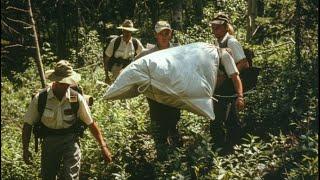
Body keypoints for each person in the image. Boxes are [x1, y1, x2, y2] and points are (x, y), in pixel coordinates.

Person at [22, 60, 112, 179]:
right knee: (48, 176)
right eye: (62, 83)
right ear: (55, 81)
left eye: (67, 83)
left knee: (70, 176)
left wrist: (103, 146)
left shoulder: (76, 98)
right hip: (49, 141)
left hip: (71, 140)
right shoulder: (41, 98)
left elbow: (90, 123)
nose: (65, 86)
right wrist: (25, 149)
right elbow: (28, 124)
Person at [135, 20, 182, 160]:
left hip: (173, 97)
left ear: (171, 34)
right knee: (158, 128)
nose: (164, 36)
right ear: (156, 35)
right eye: (161, 33)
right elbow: (133, 67)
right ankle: (162, 160)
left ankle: (176, 160)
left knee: (173, 125)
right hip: (155, 98)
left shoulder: (178, 50)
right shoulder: (147, 53)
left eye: (167, 32)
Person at [210, 12, 249, 154]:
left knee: (218, 119)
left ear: (226, 27)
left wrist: (227, 76)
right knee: (231, 119)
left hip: (231, 86)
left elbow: (244, 63)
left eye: (217, 27)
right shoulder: (217, 42)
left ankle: (224, 149)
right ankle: (236, 147)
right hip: (224, 88)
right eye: (213, 27)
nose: (214, 30)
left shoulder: (231, 42)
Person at [103, 19, 144, 84]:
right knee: (119, 81)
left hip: (130, 67)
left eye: (129, 31)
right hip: (116, 67)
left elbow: (143, 54)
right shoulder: (115, 42)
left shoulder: (135, 42)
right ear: (122, 31)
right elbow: (106, 59)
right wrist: (106, 76)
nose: (127, 33)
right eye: (125, 31)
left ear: (131, 32)